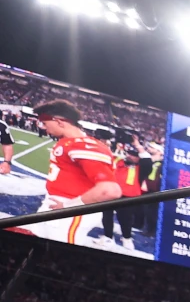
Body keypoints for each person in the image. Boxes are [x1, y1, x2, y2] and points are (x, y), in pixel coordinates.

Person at [18, 102, 124, 247]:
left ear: (59, 121)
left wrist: (69, 206)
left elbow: (109, 190)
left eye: (44, 122)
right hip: (57, 205)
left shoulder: (86, 146)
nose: (43, 127)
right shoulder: (69, 142)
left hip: (71, 212)